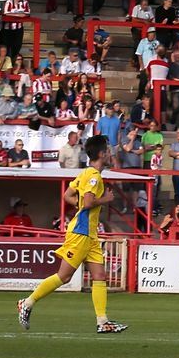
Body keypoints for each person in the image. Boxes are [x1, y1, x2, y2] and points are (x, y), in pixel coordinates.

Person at [17, 134, 127, 334]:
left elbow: (67, 195)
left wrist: (82, 207)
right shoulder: (94, 177)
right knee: (64, 276)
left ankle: (102, 321)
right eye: (108, 151)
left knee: (100, 276)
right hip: (81, 233)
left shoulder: (85, 173)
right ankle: (27, 302)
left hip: (90, 234)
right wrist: (105, 199)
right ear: (102, 154)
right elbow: (88, 202)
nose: (110, 154)